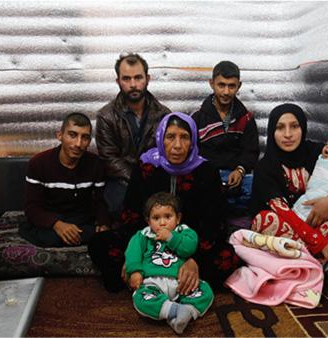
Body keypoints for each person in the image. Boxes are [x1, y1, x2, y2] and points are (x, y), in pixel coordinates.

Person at [93, 112, 239, 293]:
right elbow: (131, 214)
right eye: (170, 137)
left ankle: (159, 278)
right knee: (99, 243)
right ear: (161, 139)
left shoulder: (206, 171)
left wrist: (193, 259)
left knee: (228, 256)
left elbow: (214, 223)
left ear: (193, 141)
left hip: (188, 243)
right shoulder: (147, 166)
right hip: (149, 241)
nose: (177, 145)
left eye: (184, 137)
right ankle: (169, 279)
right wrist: (134, 259)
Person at [249, 103, 328, 282]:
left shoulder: (320, 153)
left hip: (324, 226)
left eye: (294, 126)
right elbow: (283, 212)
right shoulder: (266, 167)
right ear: (272, 131)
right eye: (280, 128)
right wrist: (321, 243)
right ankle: (323, 261)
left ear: (303, 127)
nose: (288, 134)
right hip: (290, 230)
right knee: (264, 220)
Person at [96, 53, 172, 217]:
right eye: (126, 79)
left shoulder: (164, 115)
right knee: (119, 209)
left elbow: (168, 153)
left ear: (148, 79)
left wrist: (152, 179)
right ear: (118, 81)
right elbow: (109, 159)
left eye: (138, 78)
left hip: (155, 178)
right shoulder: (106, 116)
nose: (133, 84)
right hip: (121, 179)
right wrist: (137, 178)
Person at [126, 192, 213, 334]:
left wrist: (171, 238)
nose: (162, 223)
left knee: (205, 290)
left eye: (168, 217)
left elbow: (189, 248)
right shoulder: (143, 235)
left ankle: (188, 311)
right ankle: (172, 311)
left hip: (181, 283)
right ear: (148, 221)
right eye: (156, 218)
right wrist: (135, 271)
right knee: (140, 298)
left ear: (178, 218)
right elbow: (133, 253)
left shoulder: (184, 231)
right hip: (152, 282)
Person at [21, 112, 111, 248]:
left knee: (104, 236)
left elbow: (100, 201)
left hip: (81, 219)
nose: (78, 144)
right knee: (48, 238)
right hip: (50, 219)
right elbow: (32, 207)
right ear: (60, 135)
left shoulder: (95, 164)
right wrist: (57, 224)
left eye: (85, 138)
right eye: (73, 135)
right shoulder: (39, 163)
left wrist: (103, 223)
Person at [190, 61, 259, 216]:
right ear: (211, 84)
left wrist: (240, 171)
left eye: (231, 86)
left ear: (239, 86)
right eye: (221, 85)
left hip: (237, 177)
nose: (226, 92)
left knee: (256, 186)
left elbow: (251, 151)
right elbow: (193, 154)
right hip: (208, 177)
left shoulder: (246, 118)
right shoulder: (197, 118)